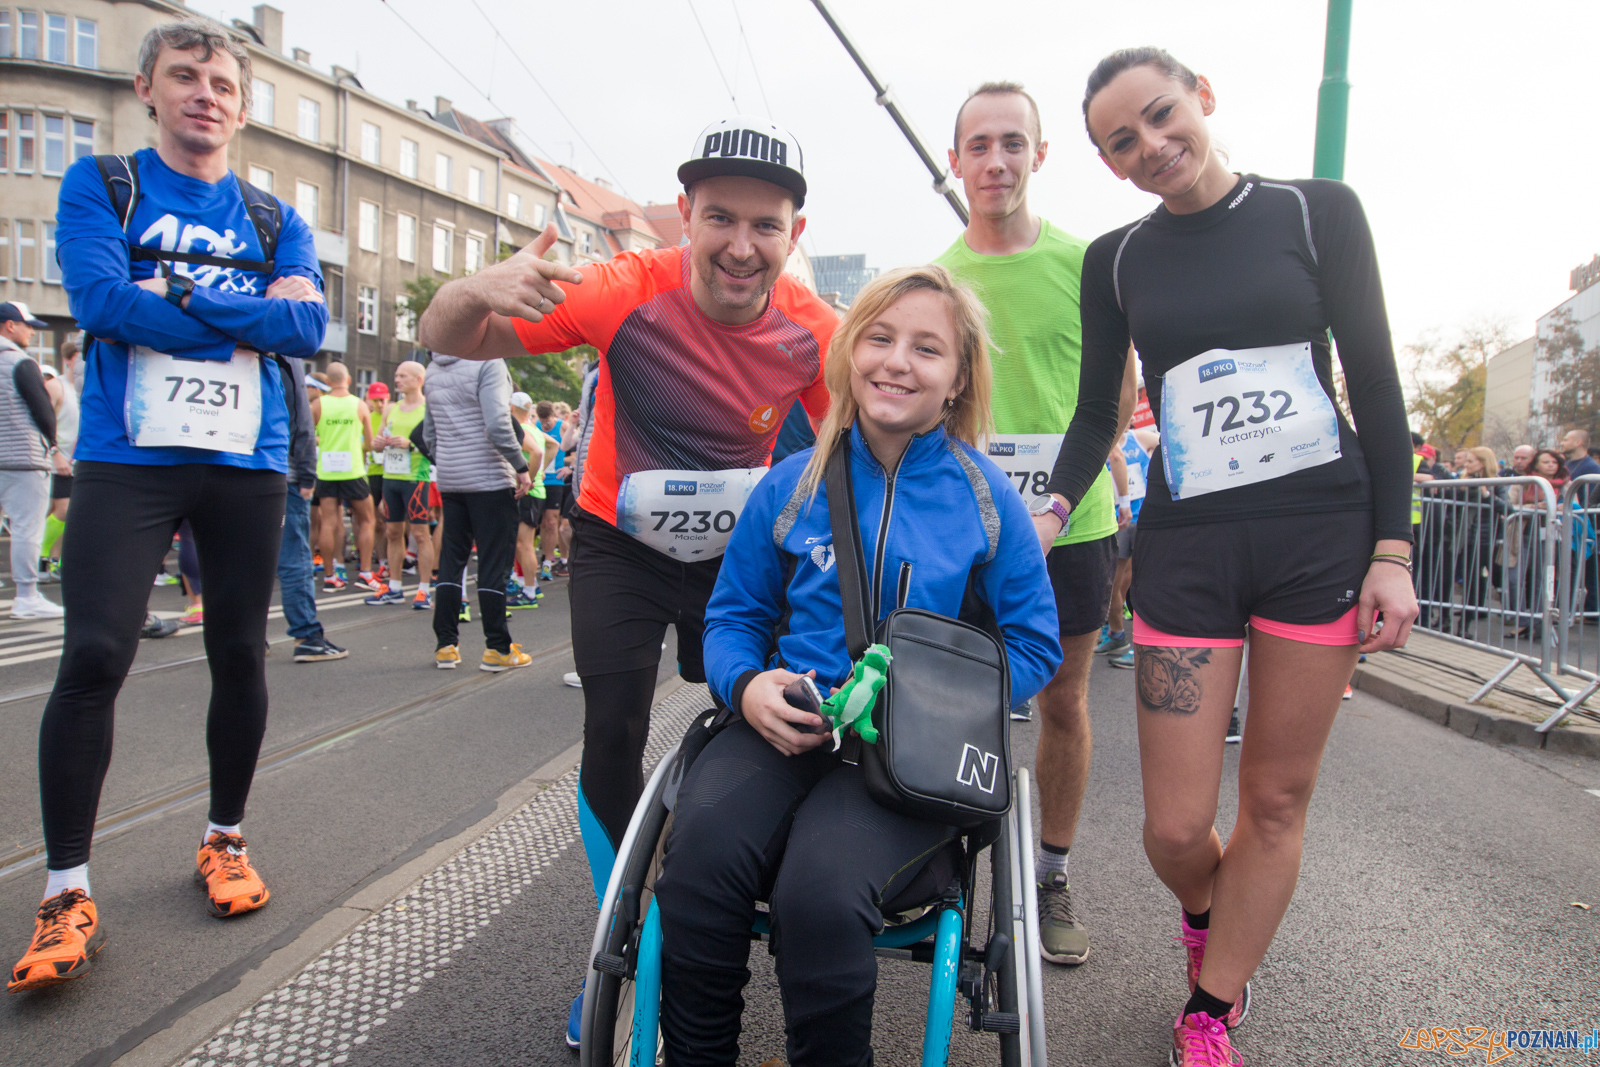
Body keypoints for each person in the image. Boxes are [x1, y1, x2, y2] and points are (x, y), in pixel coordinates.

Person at [417, 114, 837, 1045]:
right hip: (620, 541)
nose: (739, 245)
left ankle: (719, 889)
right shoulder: (620, 291)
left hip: (738, 558)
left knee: (765, 722)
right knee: (611, 727)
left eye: (764, 225)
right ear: (686, 215)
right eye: (719, 218)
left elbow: (852, 450)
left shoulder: (814, 332)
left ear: (793, 235)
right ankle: (626, 928)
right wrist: (471, 286)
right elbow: (455, 335)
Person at [1062, 48, 1417, 1063]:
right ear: (1108, 160)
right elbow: (1096, 414)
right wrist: (1044, 507)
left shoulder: (1317, 213)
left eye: (1161, 115)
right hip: (1189, 547)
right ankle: (1212, 908)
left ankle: (1210, 1005)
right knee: (1174, 828)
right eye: (1120, 141)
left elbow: (1379, 388)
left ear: (1201, 98)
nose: (1150, 145)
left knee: (1271, 797)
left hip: (1321, 536)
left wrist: (1391, 548)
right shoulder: (1117, 259)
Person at [654, 264, 1062, 1066]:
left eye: (926, 348)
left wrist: (931, 699)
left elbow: (1034, 642)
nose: (897, 361)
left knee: (820, 894)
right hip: (785, 722)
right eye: (879, 337)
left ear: (958, 380)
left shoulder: (986, 498)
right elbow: (731, 618)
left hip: (907, 756)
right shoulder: (789, 484)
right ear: (849, 354)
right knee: (697, 862)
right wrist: (748, 683)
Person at [11, 16, 327, 993]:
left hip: (245, 459)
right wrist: (243, 310)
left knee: (238, 650)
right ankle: (67, 886)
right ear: (147, 89)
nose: (206, 94)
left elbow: (307, 324)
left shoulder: (277, 217)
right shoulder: (103, 183)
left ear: (239, 104)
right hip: (128, 453)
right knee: (96, 650)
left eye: (223, 84)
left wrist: (178, 296)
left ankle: (224, 836)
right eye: (184, 76)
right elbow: (101, 305)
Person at [934, 81, 1137, 966]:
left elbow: (1117, 400)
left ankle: (1050, 871)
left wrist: (1057, 501)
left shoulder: (1088, 264)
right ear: (956, 161)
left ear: (1040, 155)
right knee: (952, 695)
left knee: (1060, 698)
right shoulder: (939, 277)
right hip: (965, 527)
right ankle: (941, 868)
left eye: (1012, 143)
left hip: (1073, 523)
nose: (995, 161)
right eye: (978, 145)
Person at [422, 350, 533, 670]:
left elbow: (429, 432)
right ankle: (497, 648)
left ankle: (445, 645)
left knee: (451, 561)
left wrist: (447, 462)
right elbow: (498, 424)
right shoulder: (488, 362)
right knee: (493, 563)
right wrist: (520, 466)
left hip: (452, 479)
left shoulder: (434, 368)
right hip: (489, 479)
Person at [278, 351, 347, 661]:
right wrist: (307, 474)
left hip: (232, 471)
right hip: (281, 474)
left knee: (240, 560)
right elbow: (300, 422)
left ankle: (244, 635)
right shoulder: (282, 355)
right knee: (294, 556)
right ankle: (306, 634)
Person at [0, 301, 64, 619]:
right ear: (10, 325)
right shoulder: (19, 362)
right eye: (27, 326)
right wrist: (52, 445)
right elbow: (42, 410)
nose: (31, 333)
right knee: (26, 527)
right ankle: (26, 596)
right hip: (21, 458)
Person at [363, 361, 435, 610]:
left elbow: (436, 445)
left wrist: (411, 444)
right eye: (396, 376)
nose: (397, 380)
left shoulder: (429, 408)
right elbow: (374, 442)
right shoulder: (391, 408)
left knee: (420, 534)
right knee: (392, 532)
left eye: (402, 376)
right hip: (390, 477)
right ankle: (394, 588)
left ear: (418, 379)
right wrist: (380, 443)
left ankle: (424, 590)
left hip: (416, 478)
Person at [312, 362, 376, 591]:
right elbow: (369, 443)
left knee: (329, 522)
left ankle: (330, 576)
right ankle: (366, 573)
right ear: (348, 380)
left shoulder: (317, 404)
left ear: (327, 382)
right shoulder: (359, 405)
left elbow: (307, 437)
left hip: (327, 470)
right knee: (367, 520)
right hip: (353, 470)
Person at [1107, 425, 1158, 670]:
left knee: (1143, 584)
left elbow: (1168, 449)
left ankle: (1141, 648)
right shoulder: (1104, 443)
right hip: (1116, 523)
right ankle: (1117, 635)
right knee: (1115, 585)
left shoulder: (1140, 439)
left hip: (1145, 518)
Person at [38, 346, 79, 581]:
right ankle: (41, 557)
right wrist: (54, 453)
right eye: (78, 358)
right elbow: (41, 420)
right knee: (62, 511)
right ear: (67, 361)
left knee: (64, 513)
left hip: (77, 461)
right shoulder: (56, 386)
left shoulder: (87, 387)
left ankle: (53, 561)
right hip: (56, 460)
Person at [507, 391, 548, 609]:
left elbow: (538, 452)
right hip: (535, 491)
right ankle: (526, 585)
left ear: (511, 408)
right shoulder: (533, 427)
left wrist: (528, 480)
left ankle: (530, 592)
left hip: (530, 493)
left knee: (524, 544)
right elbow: (552, 446)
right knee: (524, 543)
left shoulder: (521, 429)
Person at [535, 400, 570, 580]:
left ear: (554, 417)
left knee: (551, 521)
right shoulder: (534, 426)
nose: (545, 425)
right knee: (541, 522)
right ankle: (545, 557)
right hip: (539, 479)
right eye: (542, 422)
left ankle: (548, 563)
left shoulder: (562, 426)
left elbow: (575, 445)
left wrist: (568, 464)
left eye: (548, 421)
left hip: (556, 480)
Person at [364, 380, 392, 580]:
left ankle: (395, 560)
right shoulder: (366, 417)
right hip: (372, 473)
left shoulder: (393, 415)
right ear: (369, 400)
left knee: (392, 522)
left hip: (392, 472)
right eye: (376, 400)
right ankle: (382, 561)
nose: (380, 405)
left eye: (382, 400)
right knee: (377, 521)